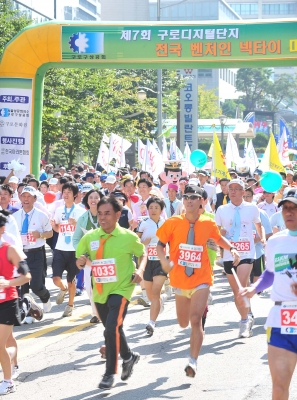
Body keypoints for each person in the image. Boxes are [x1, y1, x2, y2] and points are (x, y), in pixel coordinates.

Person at [156, 185, 240, 378]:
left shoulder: (208, 223)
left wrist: (232, 249)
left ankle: (192, 361)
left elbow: (219, 240)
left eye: (193, 197)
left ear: (201, 201)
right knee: (183, 322)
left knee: (195, 320)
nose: (189, 201)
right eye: (186, 197)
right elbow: (160, 245)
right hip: (179, 279)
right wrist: (164, 260)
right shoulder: (172, 222)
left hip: (201, 278)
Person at [76, 196, 147, 390]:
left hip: (122, 288)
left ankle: (109, 373)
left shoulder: (128, 236)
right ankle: (129, 357)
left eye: (107, 213)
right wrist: (81, 261)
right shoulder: (90, 237)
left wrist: (140, 270)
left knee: (111, 329)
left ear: (117, 215)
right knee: (113, 328)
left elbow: (143, 253)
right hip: (100, 290)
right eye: (100, 213)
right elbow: (80, 260)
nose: (103, 217)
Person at [240, 188, 297, 400]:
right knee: (279, 386)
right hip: (282, 319)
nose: (289, 212)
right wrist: (255, 288)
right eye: (286, 209)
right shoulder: (275, 242)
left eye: (294, 208)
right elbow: (271, 273)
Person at [215, 179, 264, 338]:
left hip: (247, 252)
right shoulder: (222, 209)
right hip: (230, 253)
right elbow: (218, 231)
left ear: (244, 192)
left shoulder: (252, 208)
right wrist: (216, 240)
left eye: (237, 189)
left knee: (241, 286)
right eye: (231, 189)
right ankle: (248, 314)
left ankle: (244, 321)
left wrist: (261, 237)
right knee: (237, 291)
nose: (233, 191)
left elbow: (258, 225)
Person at [0, 211, 31, 395]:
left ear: (2, 229)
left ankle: (8, 381)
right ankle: (12, 360)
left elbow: (27, 276)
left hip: (8, 301)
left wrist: (8, 282)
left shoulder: (10, 249)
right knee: (6, 342)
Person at [13, 186, 53, 319]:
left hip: (36, 253)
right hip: (21, 254)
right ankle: (28, 313)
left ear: (35, 199)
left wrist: (40, 235)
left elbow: (51, 232)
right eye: (23, 196)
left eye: (29, 196)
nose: (26, 199)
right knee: (23, 286)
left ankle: (45, 297)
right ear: (20, 198)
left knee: (36, 285)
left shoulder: (41, 216)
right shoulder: (15, 216)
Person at [51, 182, 85, 317]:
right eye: (64, 191)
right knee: (55, 278)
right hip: (60, 248)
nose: (65, 194)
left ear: (75, 195)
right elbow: (59, 229)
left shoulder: (81, 211)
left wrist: (76, 224)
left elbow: (85, 231)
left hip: (74, 250)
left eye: (69, 192)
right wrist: (54, 226)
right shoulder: (59, 210)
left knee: (71, 280)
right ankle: (62, 289)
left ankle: (70, 305)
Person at [136, 197, 167, 336]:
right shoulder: (143, 223)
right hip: (146, 260)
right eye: (151, 208)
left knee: (155, 292)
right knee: (150, 295)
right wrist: (144, 242)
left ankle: (151, 323)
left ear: (161, 210)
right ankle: (160, 302)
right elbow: (135, 242)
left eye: (156, 208)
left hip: (161, 260)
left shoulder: (166, 223)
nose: (153, 210)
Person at [73, 189, 102, 323]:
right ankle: (95, 313)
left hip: (106, 258)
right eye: (91, 197)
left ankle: (104, 311)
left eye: (97, 197)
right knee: (90, 288)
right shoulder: (83, 218)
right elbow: (76, 239)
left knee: (106, 285)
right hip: (89, 259)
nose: (94, 200)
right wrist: (82, 255)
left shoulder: (108, 215)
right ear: (87, 200)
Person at [243, 187, 272, 283]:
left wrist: (256, 240)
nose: (246, 199)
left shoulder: (260, 213)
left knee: (257, 279)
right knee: (243, 278)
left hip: (258, 251)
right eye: (243, 196)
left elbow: (269, 233)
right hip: (242, 252)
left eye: (248, 196)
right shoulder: (236, 212)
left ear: (253, 197)